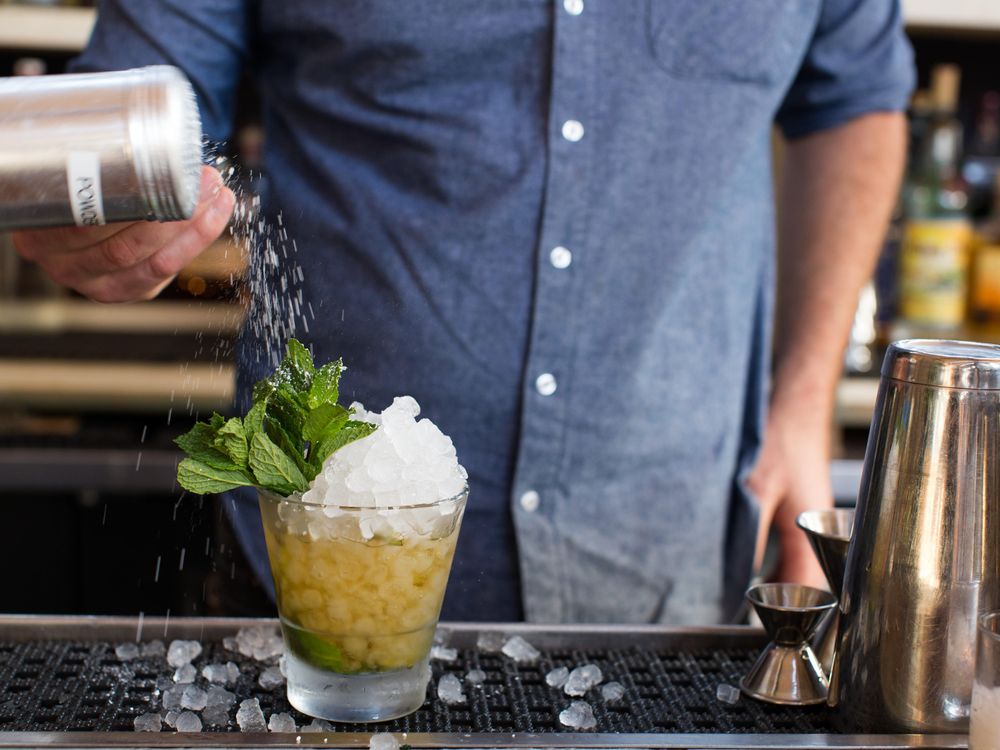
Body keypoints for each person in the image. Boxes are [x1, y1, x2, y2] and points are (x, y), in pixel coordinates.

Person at [13, 0, 914, 624]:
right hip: (311, 561)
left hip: (675, 544)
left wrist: (803, 399)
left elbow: (856, 99)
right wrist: (90, 194)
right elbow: (132, 106)